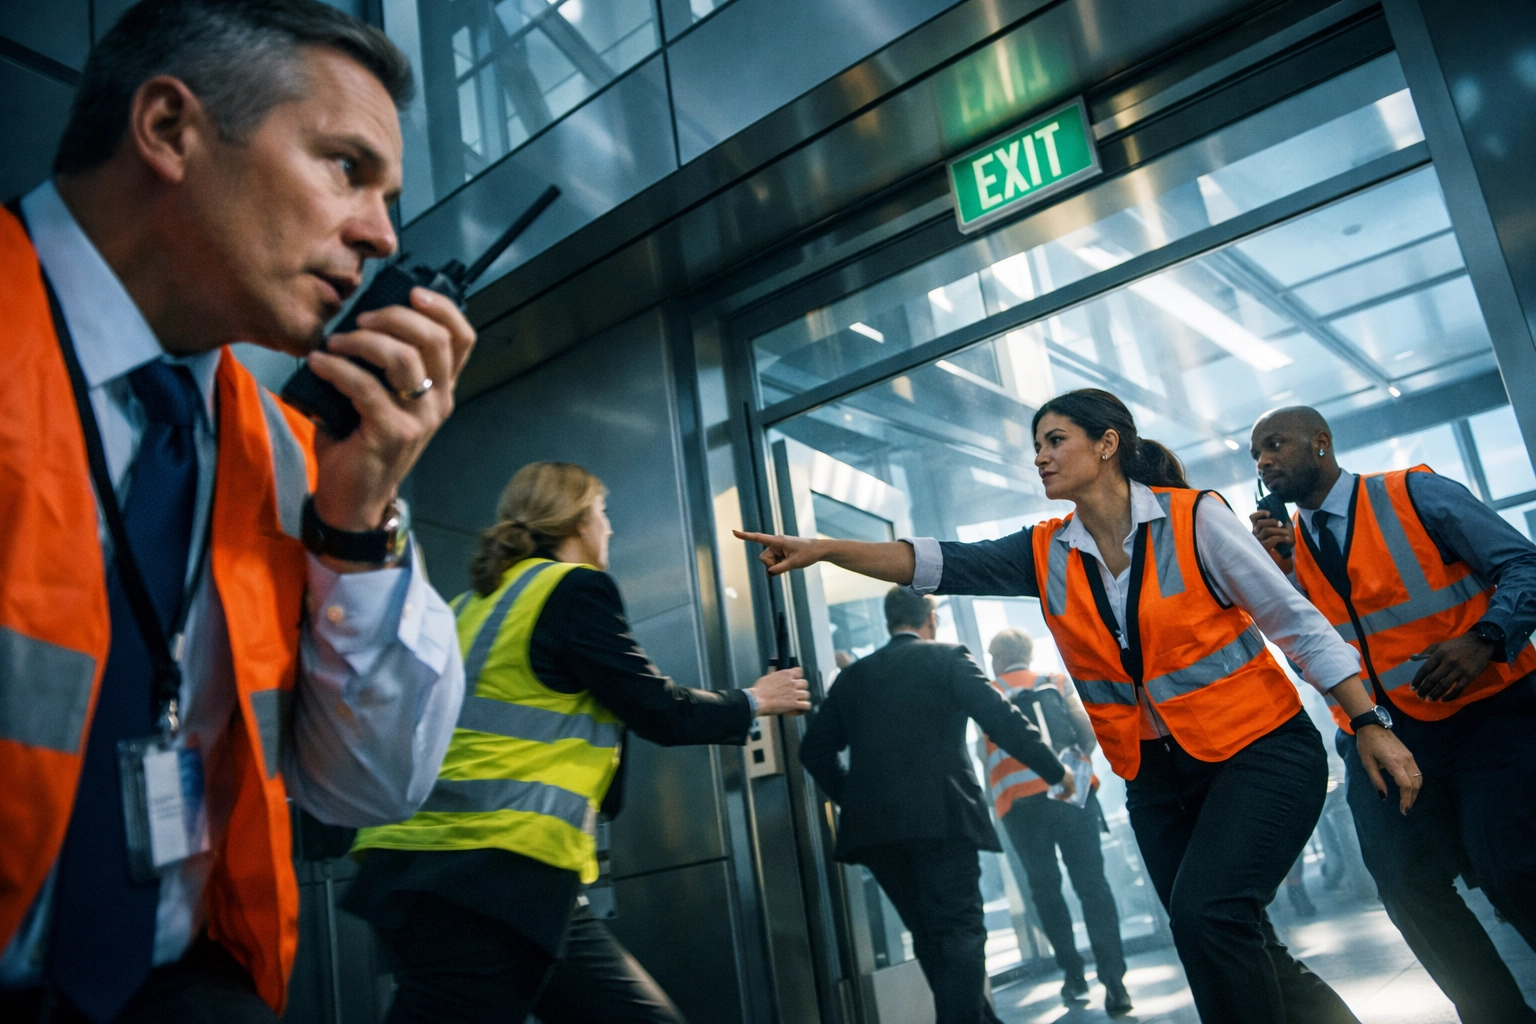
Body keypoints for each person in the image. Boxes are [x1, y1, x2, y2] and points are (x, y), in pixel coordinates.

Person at [0, 2, 473, 1021]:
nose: (382, 232)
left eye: (387, 195)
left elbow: (368, 790)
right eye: (347, 167)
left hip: (183, 989)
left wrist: (359, 526)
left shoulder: (293, 455)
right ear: (170, 128)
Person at [739, 388, 1423, 1024]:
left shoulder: (1195, 520)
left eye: (1055, 439)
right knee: (1222, 934)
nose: (1039, 455)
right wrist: (826, 549)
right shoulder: (1046, 551)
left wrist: (1368, 722)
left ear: (1106, 445)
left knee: (1210, 916)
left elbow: (1295, 621)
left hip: (1259, 753)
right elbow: (933, 560)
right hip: (1158, 778)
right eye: (1037, 444)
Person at [344, 462, 811, 1024]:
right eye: (603, 512)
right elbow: (654, 707)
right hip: (486, 872)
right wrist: (755, 700)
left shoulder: (469, 604)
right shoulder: (572, 589)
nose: (609, 528)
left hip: (457, 868)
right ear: (575, 520)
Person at [1250, 405, 1536, 1024]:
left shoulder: (1416, 494)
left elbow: (1525, 564)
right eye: (1256, 456)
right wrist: (1279, 580)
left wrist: (1485, 637)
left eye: (1275, 445)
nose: (1264, 461)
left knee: (1511, 869)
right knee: (1405, 885)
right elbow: (1316, 650)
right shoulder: (1287, 549)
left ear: (1321, 443)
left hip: (1489, 715)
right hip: (1382, 733)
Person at [798, 588, 1071, 1024]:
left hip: (876, 834)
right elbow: (1003, 720)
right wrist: (1056, 771)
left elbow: (813, 752)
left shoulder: (854, 677)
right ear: (931, 617)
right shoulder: (947, 657)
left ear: (890, 621)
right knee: (961, 932)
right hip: (942, 820)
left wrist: (855, 798)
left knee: (929, 936)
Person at [984, 629, 1131, 1015]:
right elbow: (1085, 728)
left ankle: (1073, 974)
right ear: (1028, 654)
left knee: (1045, 890)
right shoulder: (1054, 681)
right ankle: (1114, 981)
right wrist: (1076, 769)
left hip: (1020, 804)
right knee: (1092, 885)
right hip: (1072, 793)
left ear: (997, 658)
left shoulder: (989, 692)